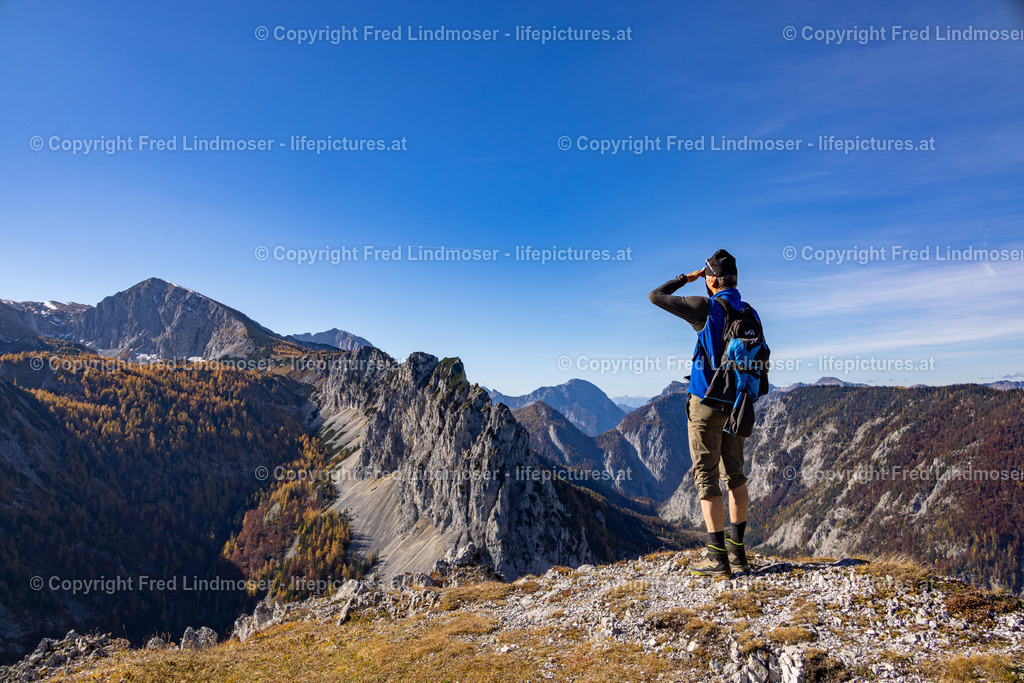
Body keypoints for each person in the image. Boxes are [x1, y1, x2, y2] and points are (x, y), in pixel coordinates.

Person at [648, 248, 761, 576]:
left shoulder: (705, 306)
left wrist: (688, 278)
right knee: (736, 476)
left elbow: (656, 296)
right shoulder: (750, 312)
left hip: (707, 404)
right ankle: (738, 554)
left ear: (712, 279)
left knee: (707, 477)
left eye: (707, 277)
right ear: (736, 279)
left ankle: (717, 560)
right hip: (739, 405)